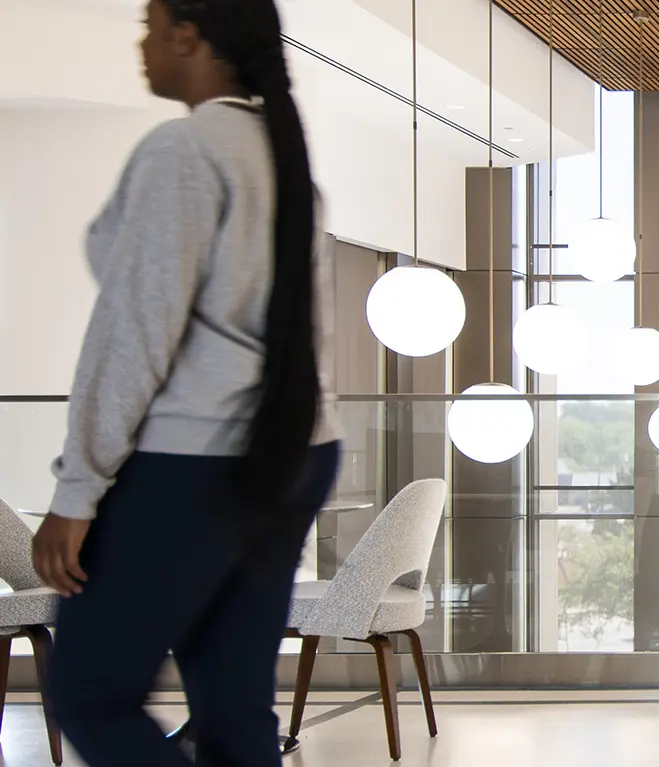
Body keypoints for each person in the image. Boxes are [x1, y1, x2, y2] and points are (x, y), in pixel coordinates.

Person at [32, 1, 340, 765]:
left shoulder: (186, 149)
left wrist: (77, 491)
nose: (141, 43)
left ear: (187, 35)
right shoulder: (282, 158)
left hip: (198, 458)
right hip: (297, 450)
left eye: (149, 23)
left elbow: (135, 331)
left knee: (89, 691)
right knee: (233, 706)